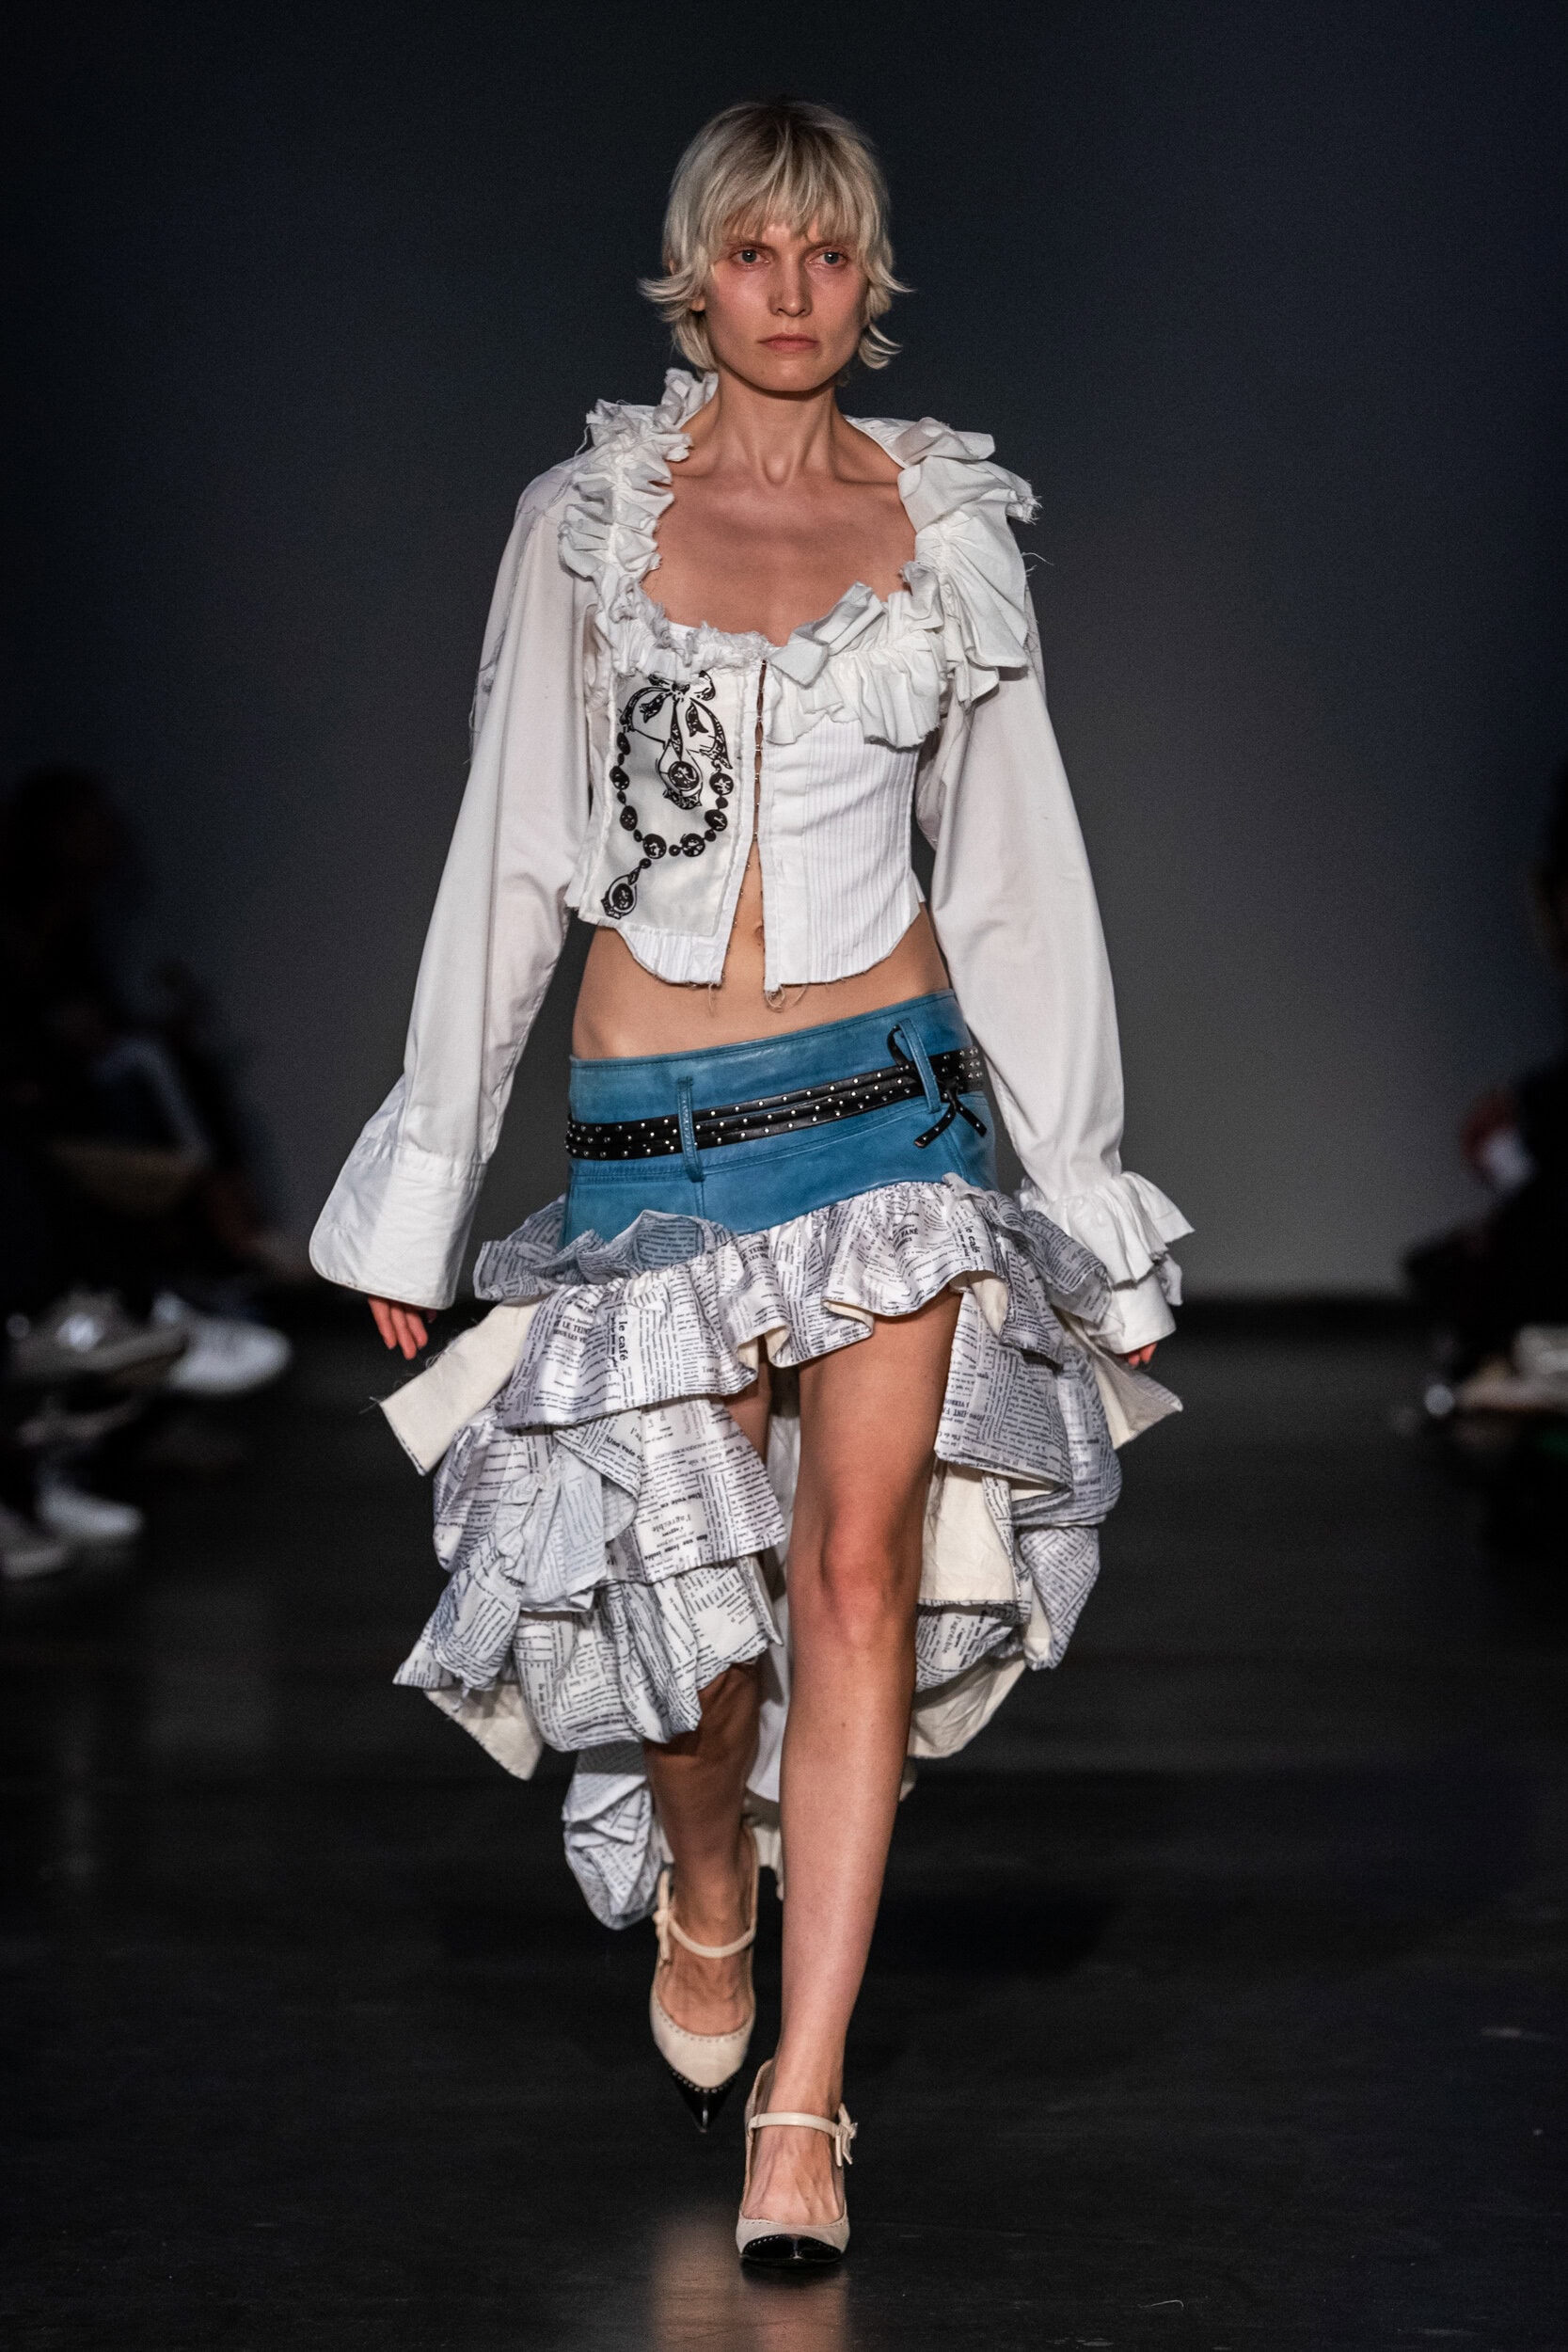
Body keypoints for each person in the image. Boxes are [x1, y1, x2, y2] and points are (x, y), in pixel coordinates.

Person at [311, 97, 1189, 2267]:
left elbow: (1015, 876)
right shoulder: (585, 525)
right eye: (751, 251)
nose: (790, 291)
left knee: (852, 1578)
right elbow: (513, 855)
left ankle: (806, 2102)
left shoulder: (945, 525)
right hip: (662, 1149)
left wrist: (1085, 1182)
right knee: (692, 1624)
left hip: (891, 1114)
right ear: (692, 273)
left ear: (868, 279)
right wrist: (427, 1178)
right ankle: (709, 1876)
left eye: (827, 253)